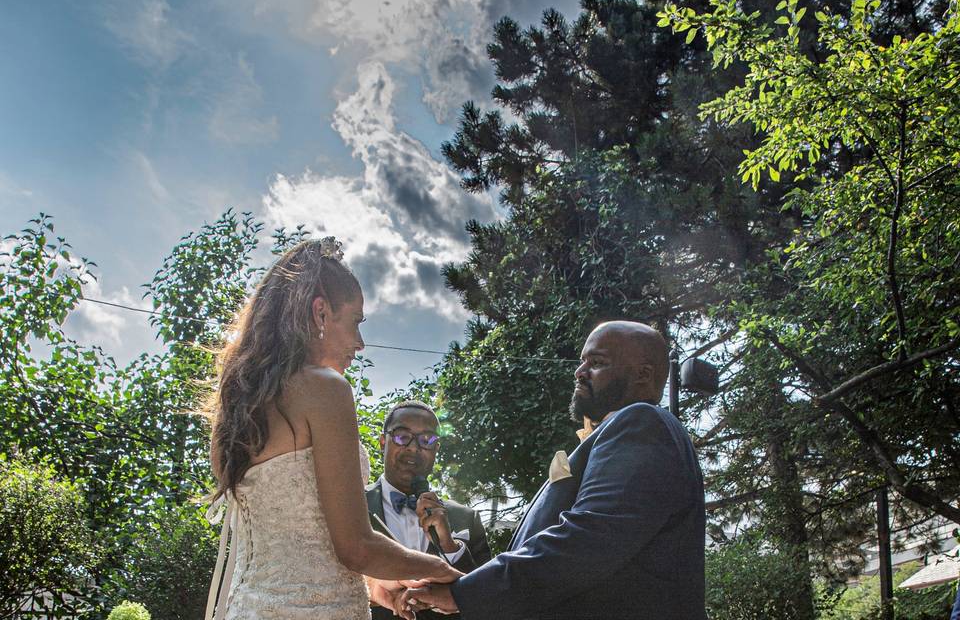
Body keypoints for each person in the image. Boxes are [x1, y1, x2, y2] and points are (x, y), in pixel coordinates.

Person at [202, 238, 459, 620]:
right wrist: (446, 573)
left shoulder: (241, 407)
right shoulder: (325, 388)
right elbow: (354, 548)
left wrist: (376, 586)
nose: (360, 343)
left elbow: (294, 546)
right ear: (321, 313)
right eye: (355, 322)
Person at [404, 321, 706, 619]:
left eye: (597, 362)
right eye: (582, 361)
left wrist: (463, 594)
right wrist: (454, 560)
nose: (579, 371)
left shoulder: (643, 423)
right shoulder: (620, 434)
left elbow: (587, 540)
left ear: (643, 374)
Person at [366, 400, 491, 619]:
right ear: (383, 441)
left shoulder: (467, 518)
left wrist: (449, 546)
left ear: (436, 449)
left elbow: (485, 596)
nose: (413, 447)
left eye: (426, 440)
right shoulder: (353, 505)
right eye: (402, 436)